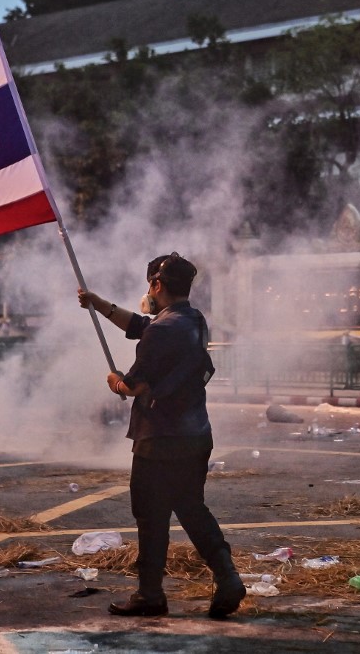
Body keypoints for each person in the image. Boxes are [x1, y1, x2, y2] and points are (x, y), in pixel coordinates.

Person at [77, 252, 245, 619]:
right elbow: (142, 325)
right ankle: (228, 578)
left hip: (159, 439)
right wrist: (99, 304)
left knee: (151, 517)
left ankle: (150, 594)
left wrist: (115, 382)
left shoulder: (162, 330)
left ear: (156, 284)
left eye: (149, 284)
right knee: (192, 509)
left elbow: (134, 385)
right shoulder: (193, 320)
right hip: (195, 436)